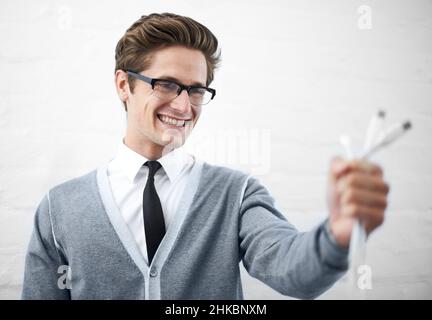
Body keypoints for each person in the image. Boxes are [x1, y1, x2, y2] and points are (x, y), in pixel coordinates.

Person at [22, 13, 389, 300]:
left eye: (196, 90)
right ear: (124, 85)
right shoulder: (60, 209)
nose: (184, 106)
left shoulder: (236, 194)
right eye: (167, 84)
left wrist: (337, 236)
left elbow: (291, 268)